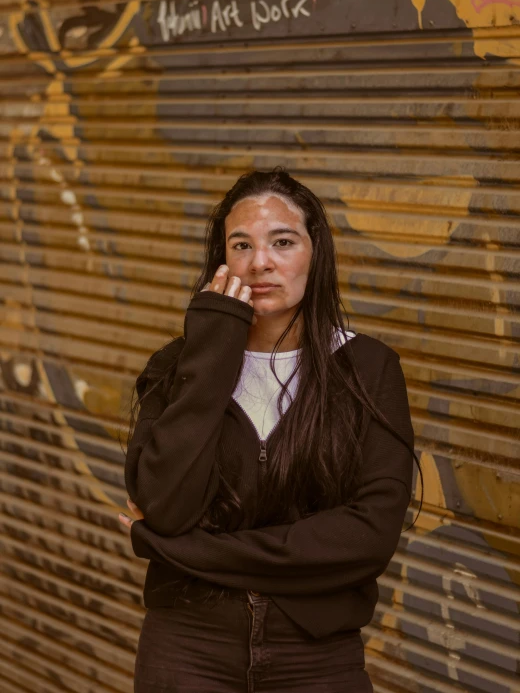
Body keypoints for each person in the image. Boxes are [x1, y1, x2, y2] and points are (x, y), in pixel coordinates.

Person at [119, 168, 423, 692]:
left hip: (317, 654)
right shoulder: (177, 367)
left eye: (283, 241)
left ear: (315, 252)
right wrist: (213, 349)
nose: (261, 262)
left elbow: (366, 540)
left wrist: (184, 551)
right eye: (242, 245)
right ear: (223, 261)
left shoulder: (368, 370)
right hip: (189, 648)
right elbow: (168, 506)